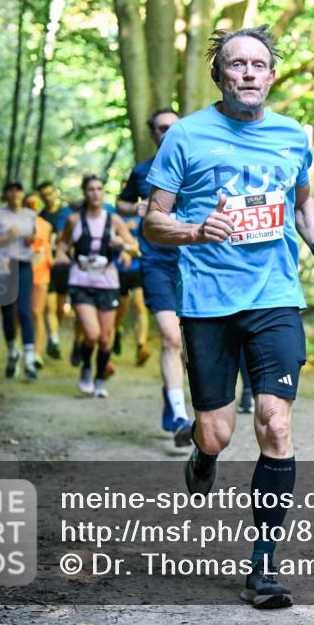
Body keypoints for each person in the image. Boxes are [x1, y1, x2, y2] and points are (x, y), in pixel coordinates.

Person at [143, 25, 314, 610]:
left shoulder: (291, 135)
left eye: (260, 64)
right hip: (207, 301)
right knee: (218, 431)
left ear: (272, 75)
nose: (250, 73)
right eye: (238, 64)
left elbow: (302, 201)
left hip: (275, 296)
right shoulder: (185, 136)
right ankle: (202, 454)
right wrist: (194, 228)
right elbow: (154, 222)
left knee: (276, 425)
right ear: (220, 75)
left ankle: (262, 567)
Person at [116, 108, 199, 445]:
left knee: (188, 345)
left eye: (175, 127)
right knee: (170, 338)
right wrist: (135, 209)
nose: (169, 133)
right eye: (162, 128)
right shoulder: (142, 171)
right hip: (157, 263)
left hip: (196, 263)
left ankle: (172, 393)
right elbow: (121, 204)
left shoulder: (199, 164)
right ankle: (181, 417)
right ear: (153, 135)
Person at [55, 174, 137, 398]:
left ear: (104, 192)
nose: (95, 193)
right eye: (91, 189)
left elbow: (134, 246)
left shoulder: (114, 221)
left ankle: (100, 379)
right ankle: (86, 368)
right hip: (81, 282)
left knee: (105, 337)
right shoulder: (74, 220)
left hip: (107, 282)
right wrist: (61, 255)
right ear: (85, 193)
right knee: (91, 335)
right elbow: (62, 244)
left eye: (99, 189)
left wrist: (123, 245)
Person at [0, 182, 38, 380]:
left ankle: (30, 361)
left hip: (23, 264)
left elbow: (35, 237)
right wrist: (7, 236)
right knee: (8, 312)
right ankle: (12, 353)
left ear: (23, 194)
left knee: (25, 310)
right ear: (6, 193)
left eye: (19, 190)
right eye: (11, 190)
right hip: (2, 266)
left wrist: (30, 239)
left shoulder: (30, 215)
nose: (15, 194)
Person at [36, 181, 73, 361]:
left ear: (56, 192)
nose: (48, 197)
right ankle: (54, 340)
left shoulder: (67, 213)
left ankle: (54, 334)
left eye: (50, 193)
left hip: (64, 265)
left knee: (60, 307)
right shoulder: (41, 216)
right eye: (44, 195)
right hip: (46, 266)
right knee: (49, 307)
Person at [113, 213, 150, 365]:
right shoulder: (113, 216)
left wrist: (130, 249)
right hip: (117, 270)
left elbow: (142, 245)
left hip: (136, 270)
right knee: (121, 307)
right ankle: (116, 332)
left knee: (140, 306)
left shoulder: (141, 217)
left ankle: (141, 346)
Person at [26, 196, 54, 369]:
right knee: (22, 314)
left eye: (36, 205)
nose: (33, 207)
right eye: (29, 204)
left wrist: (51, 258)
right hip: (22, 273)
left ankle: (37, 354)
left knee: (37, 312)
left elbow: (47, 245)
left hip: (42, 274)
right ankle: (21, 350)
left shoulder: (46, 225)